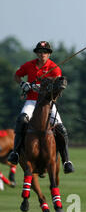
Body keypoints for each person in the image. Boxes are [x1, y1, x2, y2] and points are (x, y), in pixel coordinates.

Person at [7, 41, 74, 174]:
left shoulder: (55, 68)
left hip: (47, 103)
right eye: (40, 51)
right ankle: (15, 153)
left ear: (49, 54)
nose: (42, 54)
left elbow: (58, 88)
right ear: (37, 53)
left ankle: (66, 161)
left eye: (45, 52)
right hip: (31, 101)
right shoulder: (29, 65)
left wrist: (44, 89)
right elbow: (17, 75)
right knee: (21, 119)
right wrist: (22, 84)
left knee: (61, 127)